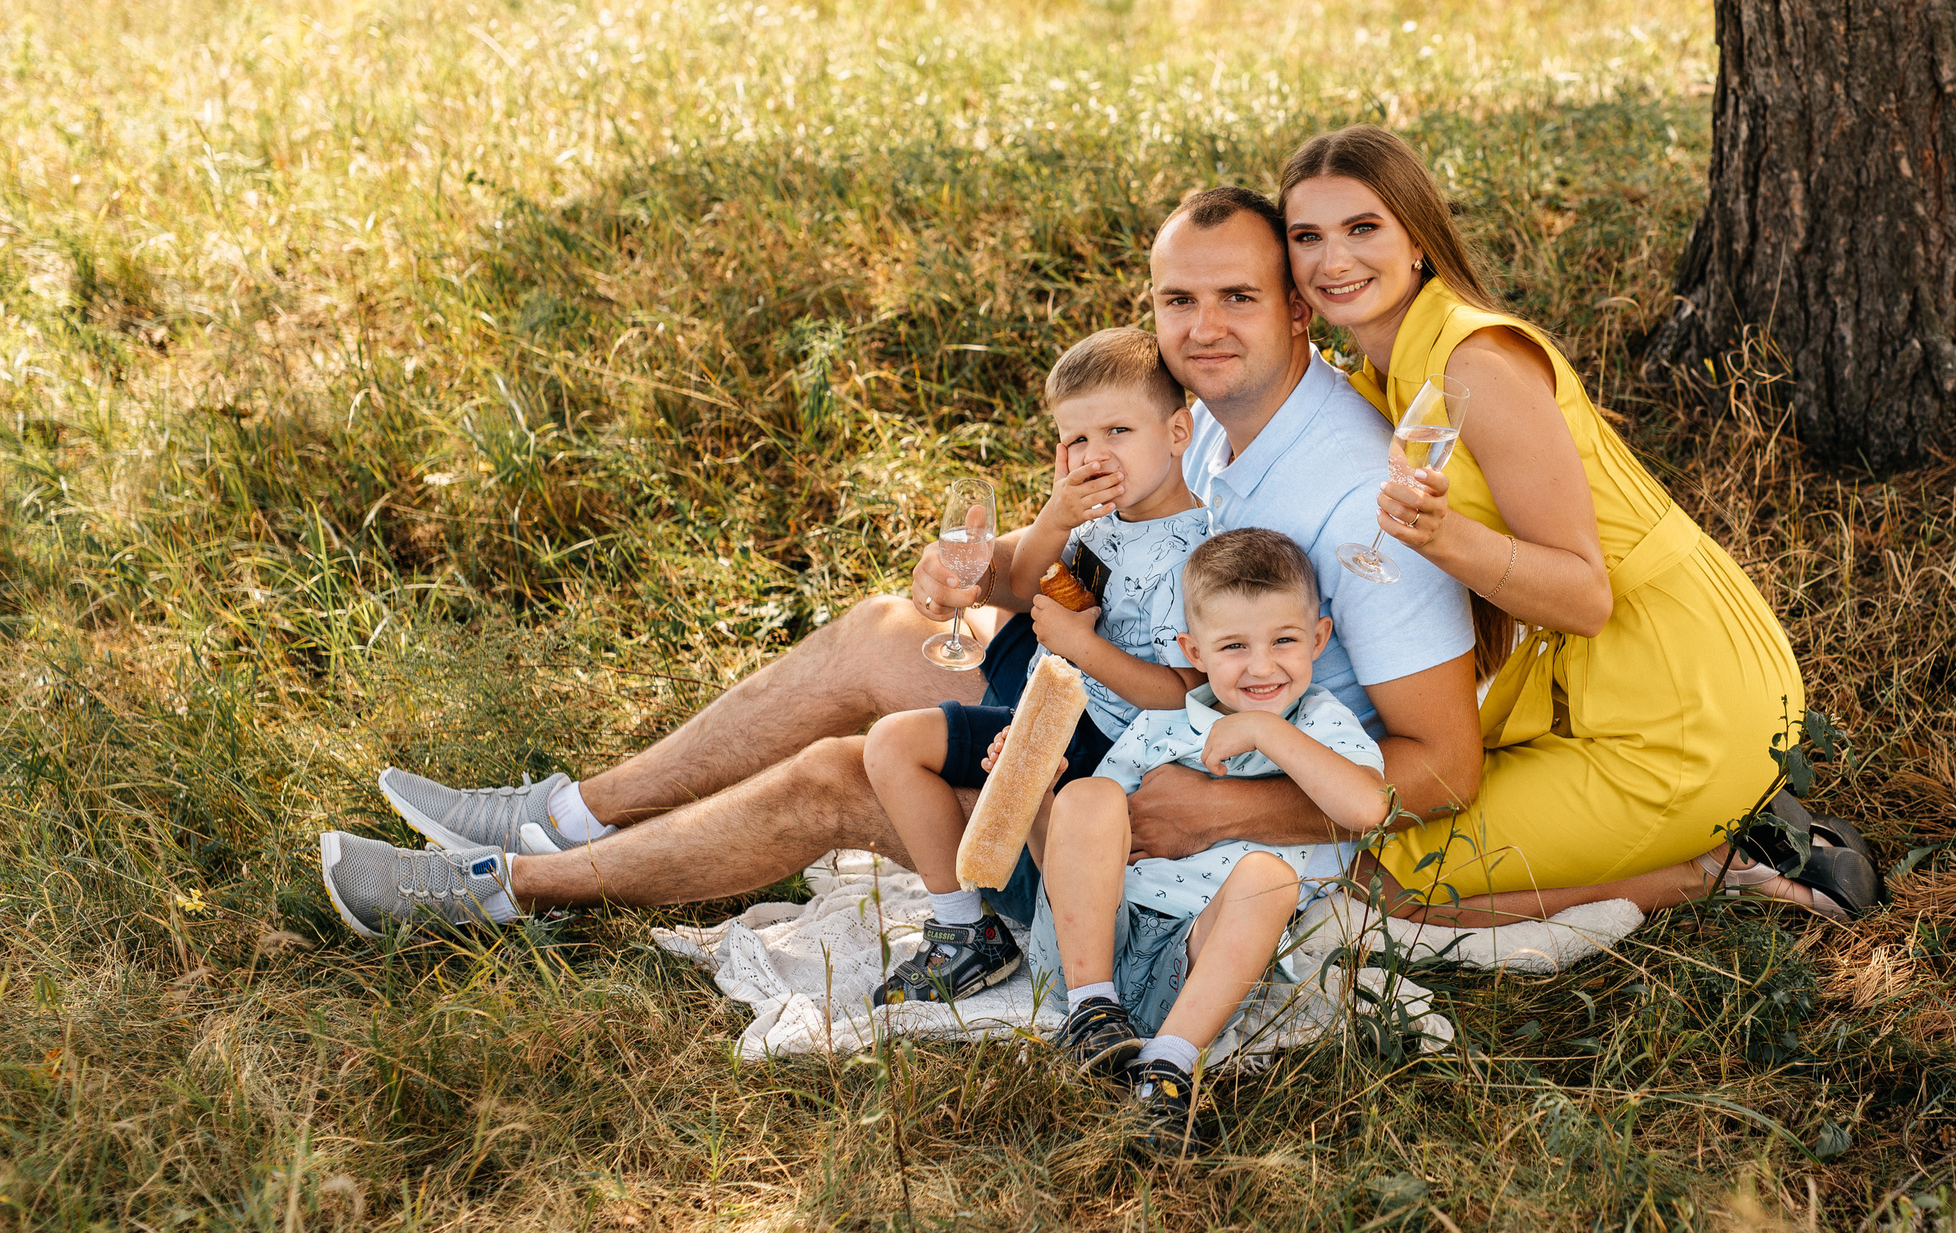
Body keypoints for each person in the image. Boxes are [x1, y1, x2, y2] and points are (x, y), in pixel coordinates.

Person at [314, 186, 1484, 937]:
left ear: (1297, 308)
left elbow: (1443, 763)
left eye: (1238, 295)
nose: (1203, 324)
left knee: (843, 774)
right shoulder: (1211, 416)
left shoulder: (1353, 490)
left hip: (1184, 785)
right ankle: (562, 814)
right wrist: (984, 581)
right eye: (1179, 298)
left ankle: (496, 896)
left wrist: (1229, 805)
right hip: (1119, 705)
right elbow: (1110, 570)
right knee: (889, 627)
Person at [1277, 125, 1882, 923]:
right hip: (1608, 681)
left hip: (1679, 694)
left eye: (1363, 228)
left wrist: (1442, 536)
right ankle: (1726, 827)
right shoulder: (1384, 372)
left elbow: (1586, 595)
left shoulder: (1472, 364)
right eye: (1306, 237)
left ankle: (1724, 865)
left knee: (1392, 884)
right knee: (1379, 831)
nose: (1334, 260)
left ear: (1417, 237)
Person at [861, 326, 1211, 1006]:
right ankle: (967, 932)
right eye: (1077, 439)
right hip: (1042, 707)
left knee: (1000, 777)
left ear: (1177, 431)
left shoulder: (1193, 557)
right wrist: (1055, 512)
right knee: (890, 744)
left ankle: (1064, 945)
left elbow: (1182, 696)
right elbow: (1021, 581)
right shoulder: (1096, 515)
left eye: (1117, 430)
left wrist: (1083, 649)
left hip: (1105, 746)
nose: (1095, 455)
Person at [1037, 528, 1388, 1151]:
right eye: (1233, 646)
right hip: (1093, 945)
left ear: (1319, 639)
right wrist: (1043, 795)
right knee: (1089, 795)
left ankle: (1168, 1068)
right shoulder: (1164, 723)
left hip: (1202, 962)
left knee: (1268, 879)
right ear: (1192, 650)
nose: (1261, 666)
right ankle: (1090, 1015)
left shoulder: (1321, 725)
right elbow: (1087, 849)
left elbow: (1368, 808)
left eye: (1284, 640)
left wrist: (1266, 732)